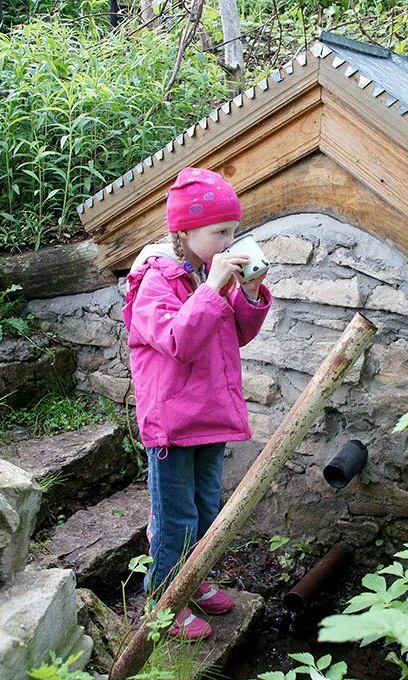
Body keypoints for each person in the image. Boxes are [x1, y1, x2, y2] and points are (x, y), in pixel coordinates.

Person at [122, 167, 272, 640]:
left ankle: (194, 577)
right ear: (185, 233)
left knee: (207, 508)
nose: (230, 241)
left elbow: (237, 334)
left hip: (209, 416)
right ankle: (161, 600)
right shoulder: (156, 282)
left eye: (233, 231)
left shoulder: (212, 275)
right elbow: (177, 340)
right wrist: (212, 290)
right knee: (174, 518)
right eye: (220, 232)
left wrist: (248, 293)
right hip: (171, 423)